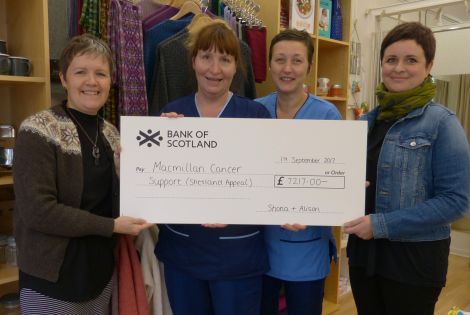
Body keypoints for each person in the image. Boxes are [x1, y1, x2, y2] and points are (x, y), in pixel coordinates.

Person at [13, 34, 152, 314]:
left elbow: (135, 197)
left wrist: (167, 135)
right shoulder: (39, 130)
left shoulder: (114, 135)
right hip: (51, 281)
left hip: (100, 278)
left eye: (100, 73)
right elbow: (39, 211)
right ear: (63, 78)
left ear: (111, 81)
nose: (92, 81)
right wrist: (111, 226)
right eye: (81, 72)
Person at [343, 22, 470, 315]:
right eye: (391, 59)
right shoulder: (366, 123)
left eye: (410, 60)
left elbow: (456, 201)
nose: (398, 68)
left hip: (413, 263)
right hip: (365, 257)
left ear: (428, 66)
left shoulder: (442, 124)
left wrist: (381, 225)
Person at [154, 21, 270, 315]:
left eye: (225, 59)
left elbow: (267, 185)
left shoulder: (256, 116)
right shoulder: (172, 115)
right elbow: (156, 181)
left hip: (237, 256)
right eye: (206, 57)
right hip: (183, 253)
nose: (214, 69)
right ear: (193, 61)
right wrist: (138, 155)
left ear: (236, 66)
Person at [255, 29, 341, 315]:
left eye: (296, 60)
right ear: (269, 64)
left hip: (307, 247)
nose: (287, 69)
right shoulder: (255, 112)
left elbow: (334, 184)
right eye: (280, 60)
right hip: (260, 245)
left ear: (309, 66)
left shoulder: (327, 116)